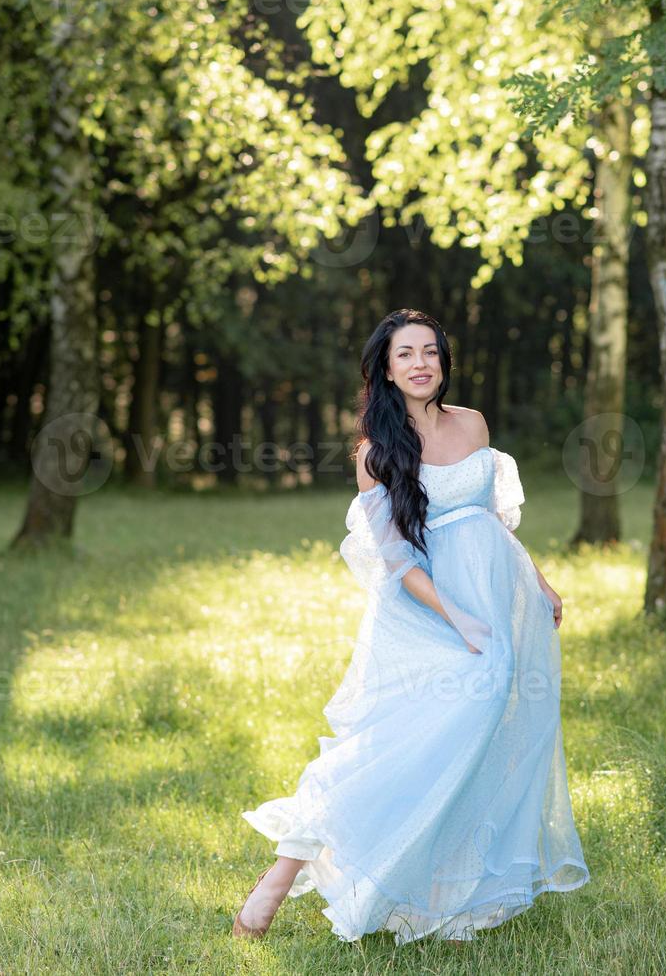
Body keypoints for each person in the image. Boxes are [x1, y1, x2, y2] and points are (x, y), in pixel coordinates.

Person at [233, 308, 589, 944]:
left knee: (475, 743)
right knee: (402, 746)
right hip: (429, 609)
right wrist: (459, 619)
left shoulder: (473, 423)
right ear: (386, 370)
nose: (421, 363)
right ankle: (282, 874)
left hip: (499, 597)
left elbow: (495, 522)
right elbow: (397, 559)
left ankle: (439, 890)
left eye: (431, 352)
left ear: (444, 363)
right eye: (406, 354)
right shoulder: (377, 452)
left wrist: (539, 584)